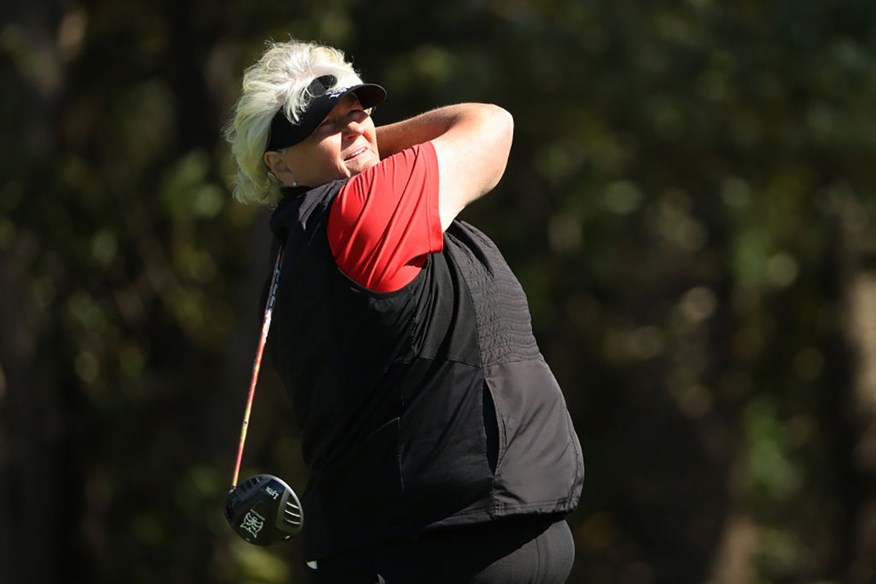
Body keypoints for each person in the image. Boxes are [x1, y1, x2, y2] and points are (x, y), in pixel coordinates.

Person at [225, 39, 584, 584]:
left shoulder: (326, 224)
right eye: (324, 125)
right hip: (429, 548)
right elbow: (489, 123)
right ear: (278, 164)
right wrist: (364, 148)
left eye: (359, 114)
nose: (355, 129)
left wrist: (351, 143)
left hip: (451, 536)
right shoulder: (359, 210)